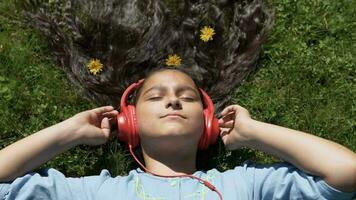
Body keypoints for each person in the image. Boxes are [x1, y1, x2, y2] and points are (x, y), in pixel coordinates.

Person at [0, 68, 355, 200]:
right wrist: (69, 133)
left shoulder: (243, 184)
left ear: (208, 125)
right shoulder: (98, 191)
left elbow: (346, 173)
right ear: (130, 123)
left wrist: (254, 133)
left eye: (187, 98)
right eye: (156, 97)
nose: (173, 101)